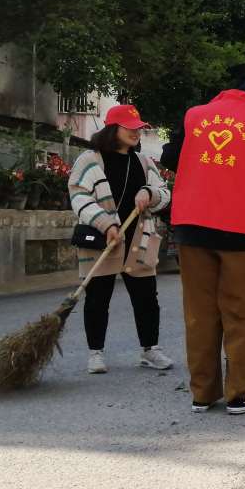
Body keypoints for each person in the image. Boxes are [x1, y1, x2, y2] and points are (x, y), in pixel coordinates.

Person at [160, 74, 245, 415]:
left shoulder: (195, 115)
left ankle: (202, 394)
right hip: (241, 231)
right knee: (242, 313)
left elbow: (169, 156)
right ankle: (241, 394)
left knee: (199, 313)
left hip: (191, 226)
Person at [69, 105, 174, 374]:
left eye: (138, 128)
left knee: (147, 298)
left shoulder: (144, 162)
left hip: (140, 238)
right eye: (130, 127)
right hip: (102, 239)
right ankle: (95, 353)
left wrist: (149, 192)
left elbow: (165, 193)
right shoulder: (89, 160)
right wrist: (105, 224)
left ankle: (150, 349)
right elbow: (79, 195)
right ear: (112, 128)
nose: (136, 132)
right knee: (97, 298)